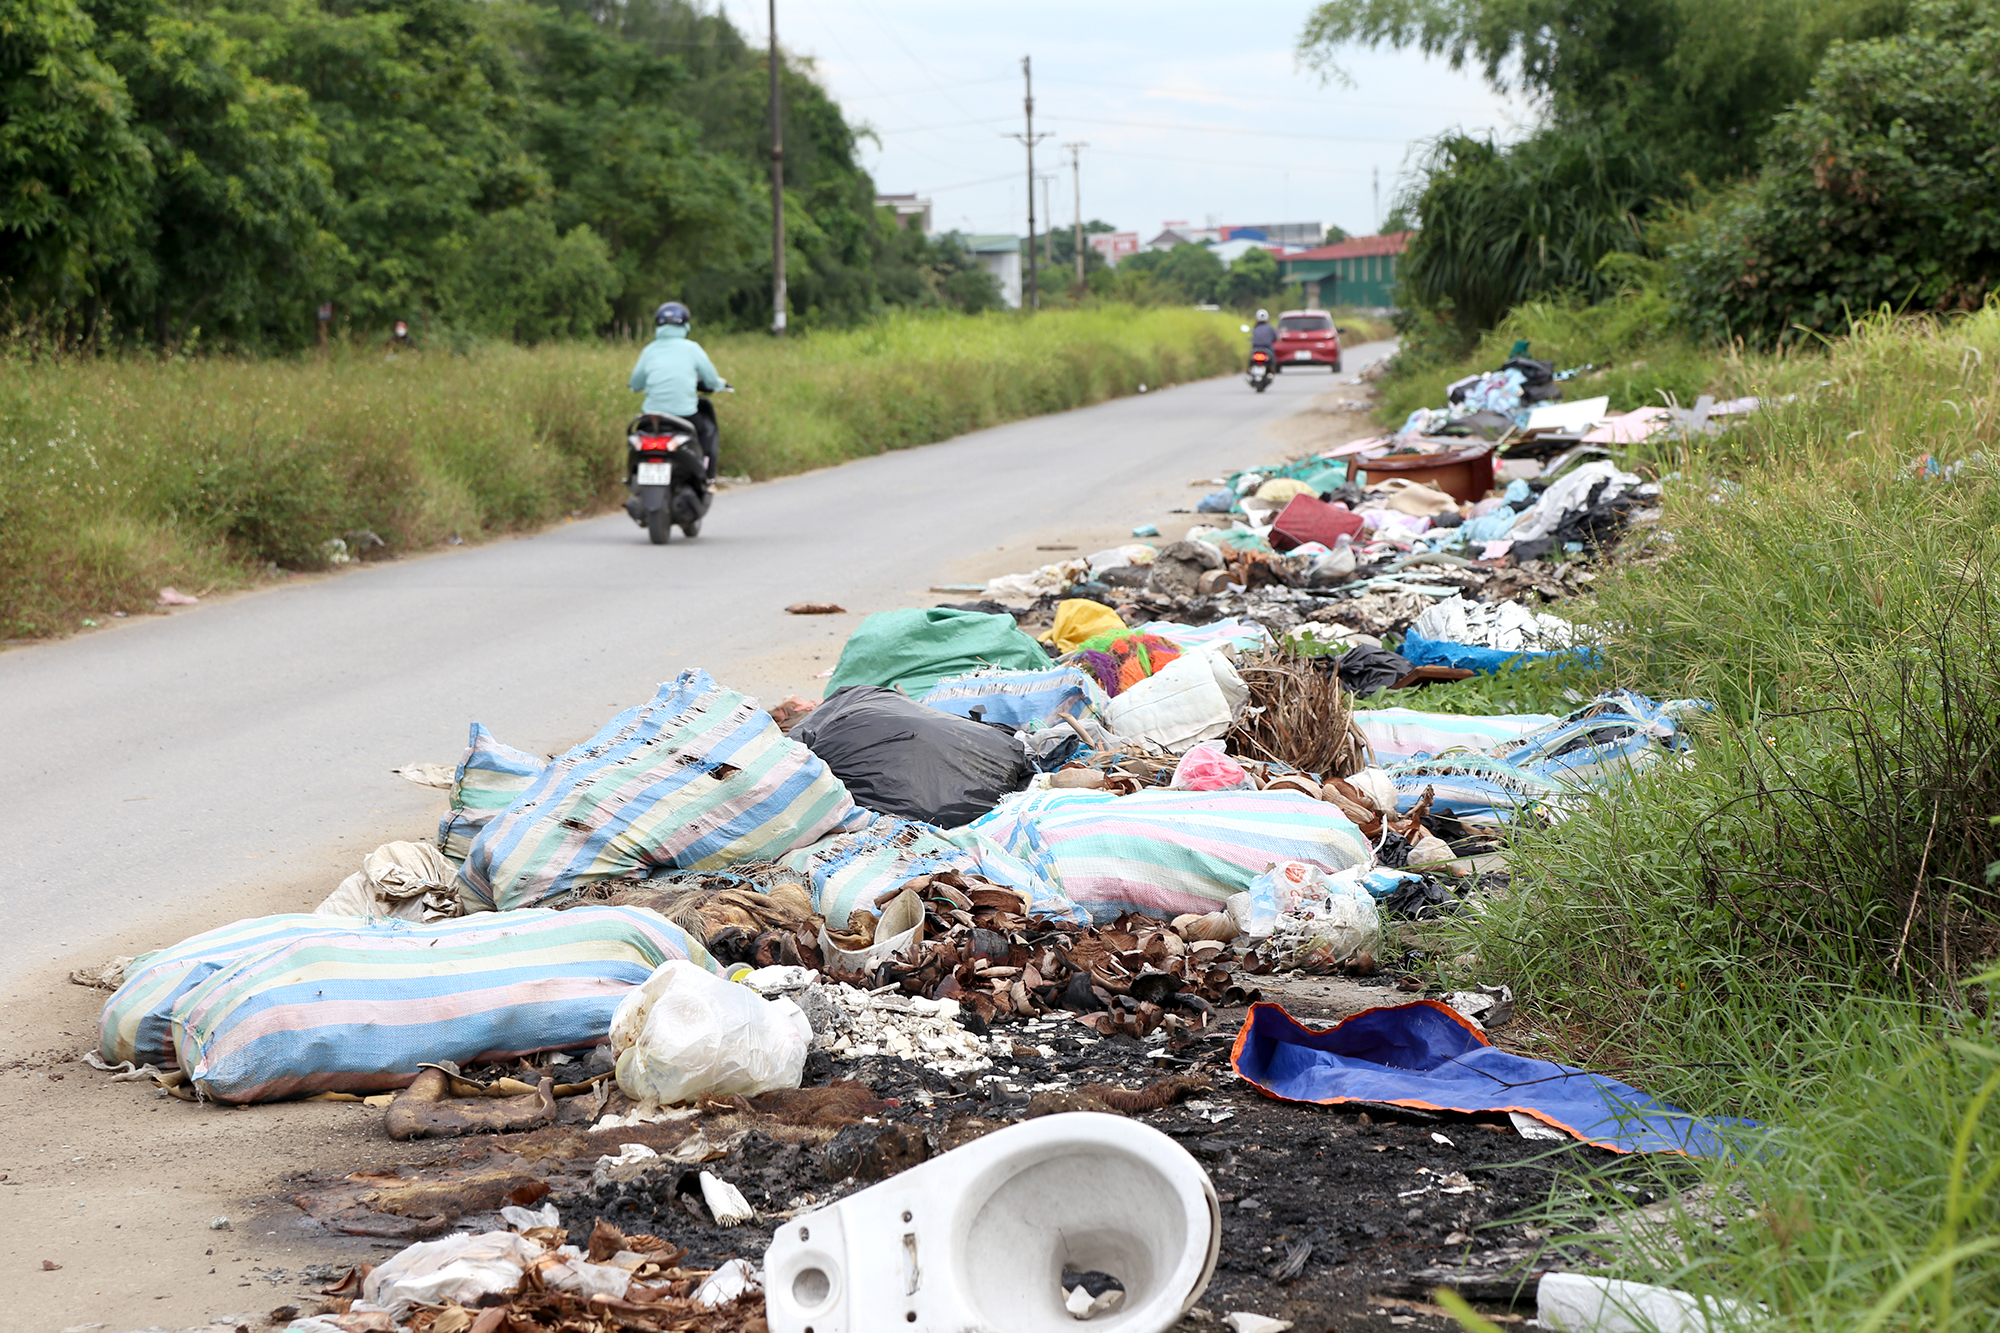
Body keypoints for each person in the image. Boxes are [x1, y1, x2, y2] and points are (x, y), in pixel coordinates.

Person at [628, 301, 725, 478]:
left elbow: (635, 383)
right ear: (685, 325)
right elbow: (711, 380)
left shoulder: (649, 350)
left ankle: (633, 475)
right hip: (685, 416)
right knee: (706, 431)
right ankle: (706, 475)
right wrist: (720, 384)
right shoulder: (692, 349)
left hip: (651, 418)